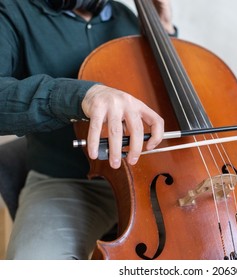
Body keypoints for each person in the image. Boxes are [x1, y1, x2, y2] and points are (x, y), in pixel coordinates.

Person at [0, 0, 175, 259]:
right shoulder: (10, 11)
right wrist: (81, 96)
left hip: (155, 178)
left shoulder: (129, 17)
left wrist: (164, 33)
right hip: (69, 181)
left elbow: (164, 96)